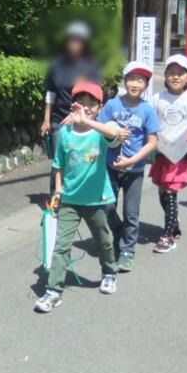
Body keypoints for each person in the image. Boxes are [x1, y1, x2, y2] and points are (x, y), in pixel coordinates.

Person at [34, 81, 122, 314]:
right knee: (61, 246)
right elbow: (58, 164)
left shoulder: (100, 131)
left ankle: (109, 272)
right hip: (70, 200)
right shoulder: (64, 132)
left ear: (100, 107)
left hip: (97, 200)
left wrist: (88, 122)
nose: (86, 107)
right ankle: (53, 290)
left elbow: (115, 136)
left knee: (104, 240)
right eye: (81, 102)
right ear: (73, 105)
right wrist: (58, 191)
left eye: (91, 103)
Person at [97, 61, 160, 272]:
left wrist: (132, 161)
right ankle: (118, 233)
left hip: (135, 170)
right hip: (110, 166)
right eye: (132, 79)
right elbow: (100, 129)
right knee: (106, 207)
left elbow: (152, 142)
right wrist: (114, 134)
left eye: (140, 80)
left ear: (146, 85)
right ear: (124, 81)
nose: (135, 84)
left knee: (131, 212)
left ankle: (127, 251)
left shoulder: (147, 110)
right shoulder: (112, 105)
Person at [149, 54, 187, 254]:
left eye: (180, 73)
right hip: (162, 152)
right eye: (171, 73)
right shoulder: (157, 98)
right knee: (162, 192)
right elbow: (151, 123)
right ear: (165, 76)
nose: (175, 77)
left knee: (171, 192)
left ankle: (167, 237)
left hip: (181, 153)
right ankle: (174, 224)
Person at [41, 21, 102, 193]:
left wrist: (75, 114)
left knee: (79, 159)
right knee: (59, 159)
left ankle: (77, 194)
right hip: (59, 121)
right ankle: (55, 196)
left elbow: (95, 96)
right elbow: (50, 93)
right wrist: (46, 120)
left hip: (83, 122)